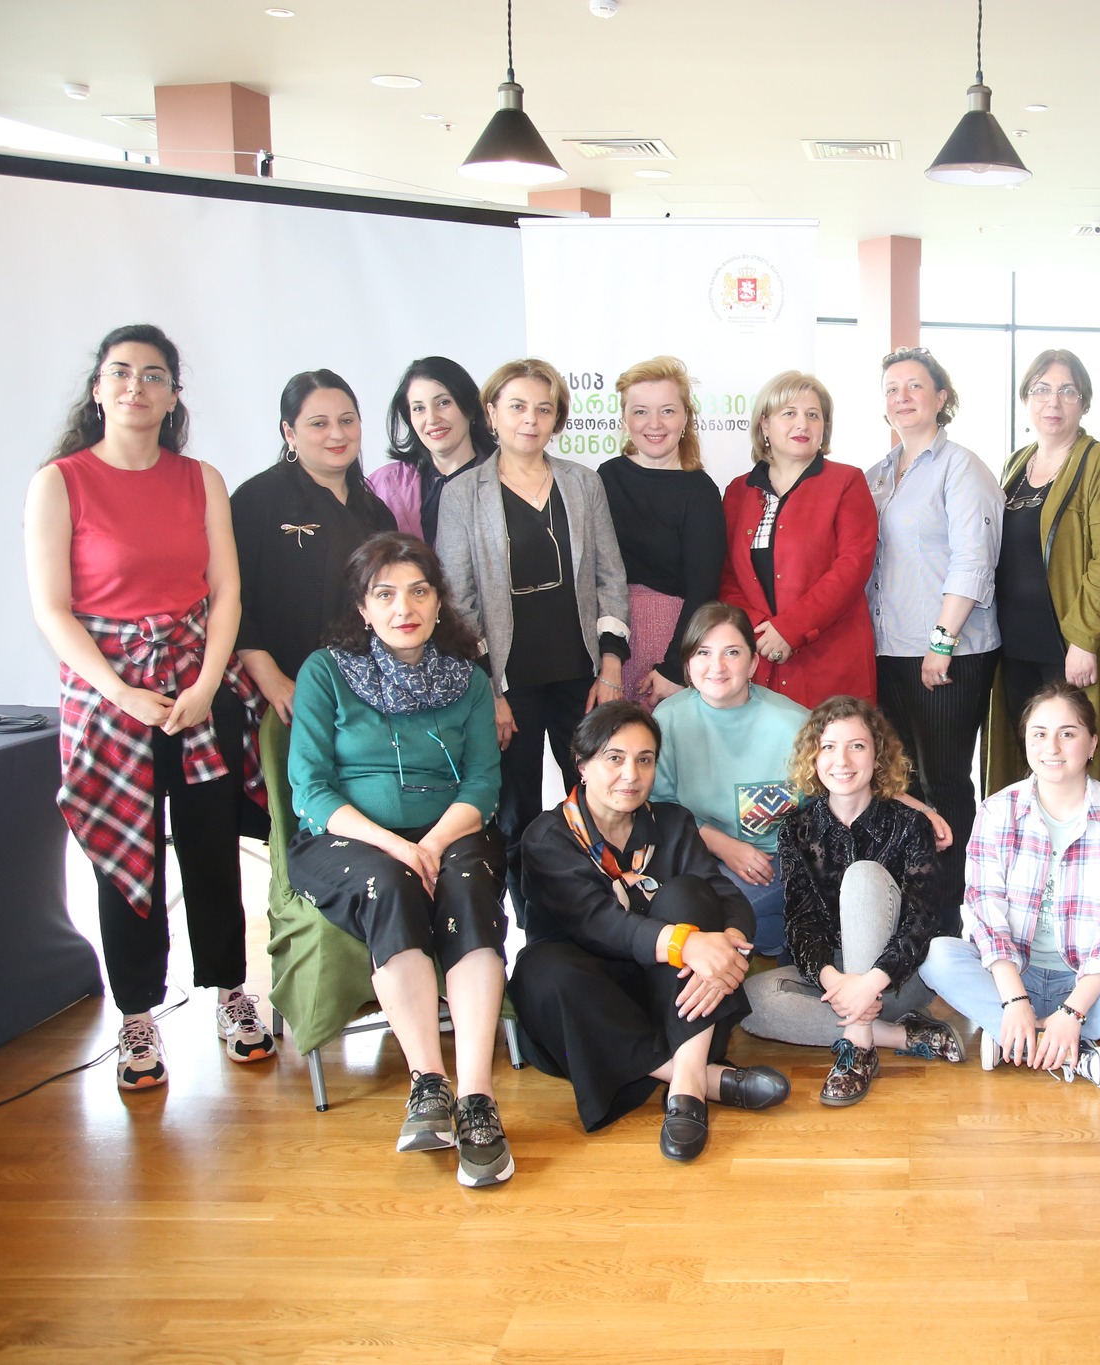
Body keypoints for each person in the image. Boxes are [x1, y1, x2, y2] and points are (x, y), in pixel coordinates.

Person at [23, 323, 271, 1091]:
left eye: (153, 375)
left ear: (173, 396)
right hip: (109, 698)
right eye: (121, 372)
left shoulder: (201, 479)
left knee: (212, 848)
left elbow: (226, 591)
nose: (137, 386)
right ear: (98, 389)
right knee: (125, 859)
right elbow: (52, 608)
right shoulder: (59, 481)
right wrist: (121, 689)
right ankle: (136, 1014)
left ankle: (232, 993)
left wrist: (204, 686)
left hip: (198, 687)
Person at [284, 533, 513, 1186]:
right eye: (384, 594)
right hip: (346, 840)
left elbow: (483, 784)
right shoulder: (325, 672)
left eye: (418, 591)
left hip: (450, 831)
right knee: (389, 881)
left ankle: (477, 1097)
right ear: (363, 607)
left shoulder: (468, 679)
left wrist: (432, 845)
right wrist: (395, 846)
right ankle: (428, 1082)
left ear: (440, 602)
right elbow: (310, 787)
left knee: (469, 888)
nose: (403, 607)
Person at [514, 701, 790, 1161]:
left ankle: (685, 1088)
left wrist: (727, 948)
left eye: (644, 760)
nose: (631, 774)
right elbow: (597, 923)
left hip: (677, 999)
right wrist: (688, 944)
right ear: (581, 765)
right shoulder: (548, 837)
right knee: (541, 969)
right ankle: (703, 1080)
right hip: (590, 1008)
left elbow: (726, 897)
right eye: (614, 758)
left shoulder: (673, 822)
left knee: (687, 894)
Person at [436, 358, 632, 934]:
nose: (531, 419)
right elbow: (457, 601)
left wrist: (612, 665)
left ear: (557, 418)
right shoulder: (462, 494)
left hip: (582, 676)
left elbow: (610, 577)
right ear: (491, 414)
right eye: (517, 406)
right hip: (507, 684)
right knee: (516, 810)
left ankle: (600, 918)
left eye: (544, 409)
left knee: (595, 799)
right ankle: (533, 930)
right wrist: (488, 691)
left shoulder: (582, 483)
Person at [922, 682, 1100, 1091]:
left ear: (1092, 743)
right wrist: (1015, 999)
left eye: (1068, 733)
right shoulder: (997, 811)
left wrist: (1073, 1011)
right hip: (1013, 973)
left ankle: (1021, 1038)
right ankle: (1063, 1048)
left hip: (1086, 979)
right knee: (936, 956)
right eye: (1039, 734)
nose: (1052, 747)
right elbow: (984, 910)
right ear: (1025, 741)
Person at [741, 697, 966, 1105]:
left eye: (856, 746)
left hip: (898, 979)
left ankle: (859, 1046)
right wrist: (836, 981)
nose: (841, 760)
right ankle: (899, 1035)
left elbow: (923, 919)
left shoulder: (909, 823)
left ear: (877, 756)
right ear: (813, 757)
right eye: (828, 747)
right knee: (751, 1002)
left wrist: (871, 982)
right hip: (838, 982)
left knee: (862, 876)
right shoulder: (796, 829)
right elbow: (801, 921)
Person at [983, 349, 1100, 843]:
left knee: (1080, 763)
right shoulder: (1016, 464)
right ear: (1026, 399)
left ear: (1084, 402)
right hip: (1017, 648)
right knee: (1031, 765)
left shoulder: (1099, 463)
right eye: (1041, 389)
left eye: (1067, 390)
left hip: (1071, 647)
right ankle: (1029, 863)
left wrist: (1084, 639)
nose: (1053, 401)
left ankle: (1097, 865)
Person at [864, 347, 1004, 925]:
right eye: (892, 389)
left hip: (949, 651)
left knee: (944, 783)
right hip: (889, 649)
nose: (902, 397)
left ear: (941, 397)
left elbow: (973, 559)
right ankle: (913, 906)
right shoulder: (877, 474)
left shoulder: (961, 467)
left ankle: (949, 916)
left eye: (915, 386)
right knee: (903, 782)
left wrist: (941, 641)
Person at [234, 370, 399, 726]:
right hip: (281, 696)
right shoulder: (256, 500)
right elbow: (230, 598)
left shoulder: (376, 513)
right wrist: (269, 678)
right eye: (319, 424)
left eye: (346, 420)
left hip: (365, 698)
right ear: (289, 433)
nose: (337, 434)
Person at [650, 604, 812, 957]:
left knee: (709, 920)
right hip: (695, 855)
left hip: (773, 861)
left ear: (753, 664)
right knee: (666, 914)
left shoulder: (796, 725)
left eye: (732, 653)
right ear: (688, 664)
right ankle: (778, 939)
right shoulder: (668, 719)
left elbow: (845, 790)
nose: (717, 666)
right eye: (703, 653)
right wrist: (724, 846)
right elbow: (659, 806)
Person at [718, 370, 877, 708]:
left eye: (813, 415)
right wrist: (759, 629)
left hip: (832, 662)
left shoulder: (847, 482)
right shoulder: (737, 491)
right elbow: (727, 575)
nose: (802, 424)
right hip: (760, 659)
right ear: (764, 425)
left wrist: (790, 629)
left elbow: (852, 567)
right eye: (789, 413)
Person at [597, 356, 726, 710]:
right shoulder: (605, 478)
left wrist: (674, 667)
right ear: (625, 419)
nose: (654, 424)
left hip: (673, 640)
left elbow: (703, 590)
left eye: (667, 411)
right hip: (609, 641)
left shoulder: (700, 491)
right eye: (641, 412)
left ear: (685, 418)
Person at [372, 356, 497, 543]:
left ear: (470, 408)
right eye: (418, 408)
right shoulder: (385, 484)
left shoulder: (503, 478)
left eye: (443, 403)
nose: (432, 419)